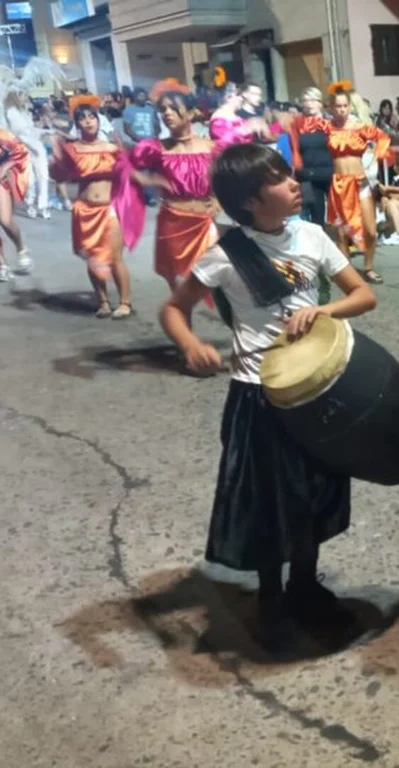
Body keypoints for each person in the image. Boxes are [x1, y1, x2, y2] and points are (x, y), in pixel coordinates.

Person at [158, 143, 377, 653]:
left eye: (288, 174)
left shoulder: (313, 236)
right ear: (251, 202)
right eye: (279, 179)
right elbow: (174, 308)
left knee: (315, 491)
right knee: (268, 502)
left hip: (315, 387)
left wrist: (325, 312)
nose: (294, 182)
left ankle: (305, 584)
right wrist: (191, 343)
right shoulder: (226, 255)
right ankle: (272, 597)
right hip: (258, 393)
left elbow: (363, 295)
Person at [117, 81, 218, 298]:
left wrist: (218, 200)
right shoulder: (154, 148)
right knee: (180, 287)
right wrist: (149, 180)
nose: (167, 114)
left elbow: (226, 177)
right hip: (172, 222)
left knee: (219, 283)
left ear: (190, 114)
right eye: (163, 110)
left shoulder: (212, 147)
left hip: (206, 223)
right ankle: (183, 327)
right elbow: (126, 165)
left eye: (173, 109)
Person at [51, 94, 132, 318]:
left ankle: (125, 303)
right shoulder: (72, 150)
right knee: (93, 258)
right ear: (77, 124)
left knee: (115, 258)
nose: (88, 121)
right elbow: (60, 176)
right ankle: (103, 301)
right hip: (84, 210)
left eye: (91, 117)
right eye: (82, 119)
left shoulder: (112, 147)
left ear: (98, 120)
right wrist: (57, 159)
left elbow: (128, 178)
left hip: (109, 209)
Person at [325, 86, 392, 284]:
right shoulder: (327, 127)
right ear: (331, 107)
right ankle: (348, 272)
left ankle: (369, 267)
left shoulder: (358, 126)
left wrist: (372, 164)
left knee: (370, 230)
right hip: (338, 183)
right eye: (338, 106)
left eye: (345, 105)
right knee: (342, 232)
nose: (342, 109)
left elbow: (383, 139)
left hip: (359, 182)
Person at [289, 87, 332, 226]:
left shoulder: (330, 123)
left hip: (331, 171)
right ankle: (319, 245)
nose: (309, 104)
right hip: (309, 174)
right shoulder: (297, 124)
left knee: (339, 214)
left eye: (313, 100)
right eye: (305, 101)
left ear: (320, 102)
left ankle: (343, 244)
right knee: (316, 215)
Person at [5, 89, 48, 220]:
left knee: (44, 176)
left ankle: (43, 206)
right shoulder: (11, 112)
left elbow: (31, 130)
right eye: (22, 95)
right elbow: (17, 132)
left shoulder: (25, 112)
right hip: (24, 149)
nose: (25, 97)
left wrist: (44, 129)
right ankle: (30, 204)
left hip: (37, 147)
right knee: (30, 179)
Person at [0, 129, 29, 281]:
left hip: (0, 180)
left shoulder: (3, 135)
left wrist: (4, 168)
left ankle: (21, 247)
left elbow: (21, 151)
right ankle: (2, 265)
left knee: (5, 221)